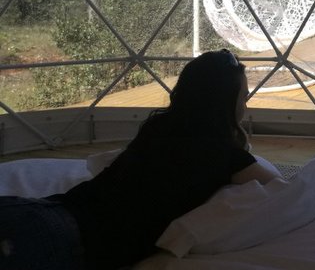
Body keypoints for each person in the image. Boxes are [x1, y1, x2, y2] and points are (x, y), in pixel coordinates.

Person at [0, 49, 281, 270]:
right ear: (226, 104)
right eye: (243, 98)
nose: (246, 105)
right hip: (60, 240)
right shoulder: (227, 156)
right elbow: (283, 189)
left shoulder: (158, 127)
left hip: (43, 209)